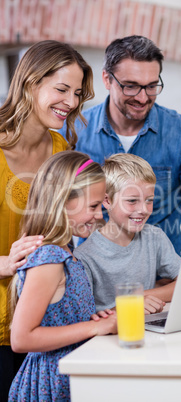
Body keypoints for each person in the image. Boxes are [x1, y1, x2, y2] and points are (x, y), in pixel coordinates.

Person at [59, 35, 181, 256]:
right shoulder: (72, 133)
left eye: (151, 86)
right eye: (131, 86)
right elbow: (54, 210)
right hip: (94, 277)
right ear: (107, 79)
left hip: (162, 279)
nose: (143, 98)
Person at [0, 40, 94, 401]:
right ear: (30, 83)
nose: (71, 103)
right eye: (61, 89)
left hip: (44, 331)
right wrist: (6, 263)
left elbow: (63, 239)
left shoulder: (61, 151)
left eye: (77, 93)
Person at [8, 150, 117, 402]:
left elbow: (59, 318)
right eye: (93, 206)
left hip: (71, 370)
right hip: (53, 381)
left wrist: (91, 319)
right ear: (62, 201)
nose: (100, 215)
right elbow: (22, 338)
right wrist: (95, 327)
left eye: (100, 205)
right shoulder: (49, 258)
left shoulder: (66, 253)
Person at [74, 153, 181, 314]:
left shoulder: (154, 237)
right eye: (132, 201)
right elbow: (84, 319)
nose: (144, 210)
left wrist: (141, 296)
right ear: (107, 201)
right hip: (107, 336)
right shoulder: (84, 257)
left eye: (149, 200)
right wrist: (129, 304)